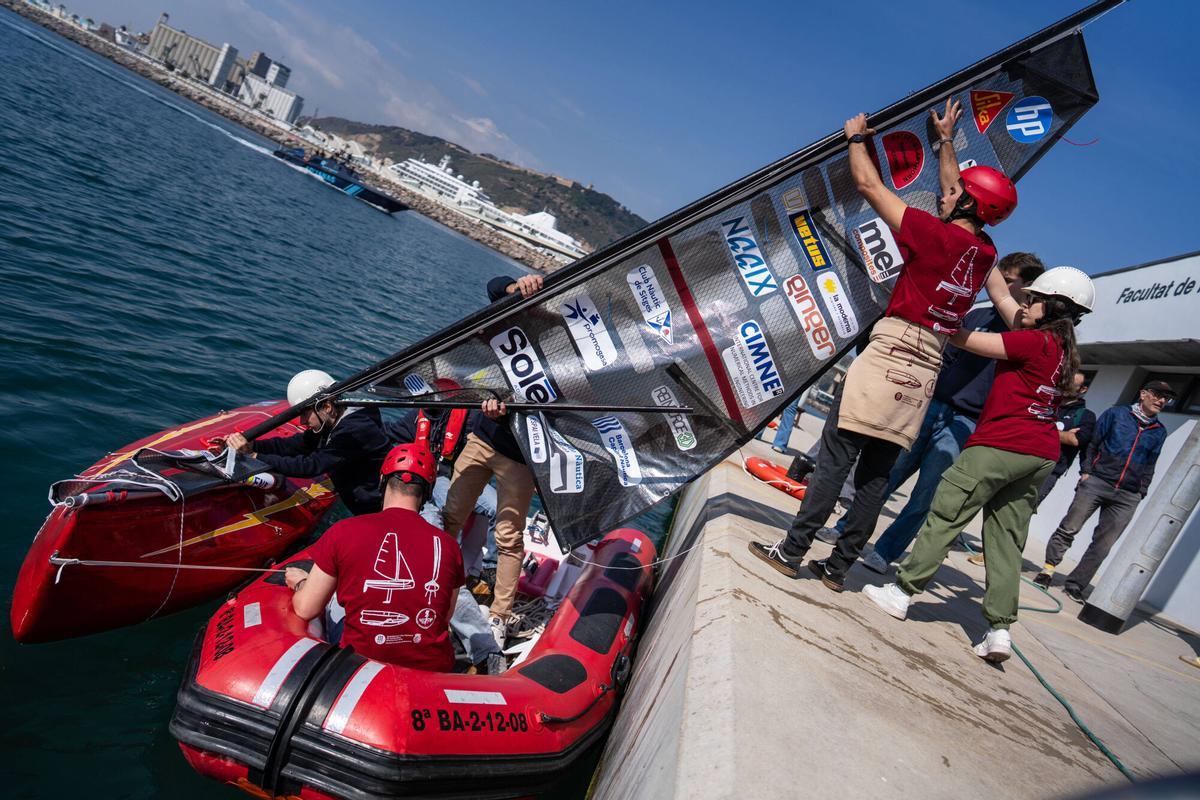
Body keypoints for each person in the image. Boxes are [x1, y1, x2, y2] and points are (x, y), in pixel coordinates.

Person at [750, 98, 1017, 591]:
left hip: (890, 351)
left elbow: (870, 184)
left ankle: (791, 551)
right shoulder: (985, 253)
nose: (948, 194)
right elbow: (958, 193)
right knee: (875, 477)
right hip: (926, 367)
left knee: (835, 457)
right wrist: (945, 143)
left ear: (965, 203)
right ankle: (837, 569)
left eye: (958, 193)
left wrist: (856, 137)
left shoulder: (933, 235)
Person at [863, 267, 1095, 662]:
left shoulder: (1031, 342)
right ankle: (999, 630)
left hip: (999, 445)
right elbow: (1004, 299)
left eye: (1033, 299)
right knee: (1005, 541)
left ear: (1053, 305)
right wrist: (983, 262)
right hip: (1039, 454)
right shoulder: (1063, 348)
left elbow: (964, 339)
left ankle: (901, 594)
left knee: (946, 515)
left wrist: (936, 312)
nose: (1025, 303)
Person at [817, 254, 1046, 568]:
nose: (999, 286)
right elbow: (942, 355)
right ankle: (845, 533)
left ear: (1029, 287)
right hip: (931, 405)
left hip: (968, 422)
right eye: (999, 278)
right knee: (885, 475)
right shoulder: (976, 314)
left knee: (926, 495)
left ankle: (884, 553)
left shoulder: (1030, 338)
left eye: (1009, 281)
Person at [284, 443, 464, 670]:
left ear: (382, 481)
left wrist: (301, 582)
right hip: (431, 672)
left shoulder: (343, 531)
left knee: (334, 604)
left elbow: (306, 609)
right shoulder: (449, 546)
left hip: (362, 669)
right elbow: (444, 617)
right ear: (427, 492)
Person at [441, 272, 544, 649]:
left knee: (508, 536)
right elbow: (492, 286)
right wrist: (519, 285)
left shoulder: (569, 354)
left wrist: (512, 413)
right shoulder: (515, 320)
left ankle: (499, 616)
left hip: (521, 455)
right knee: (450, 515)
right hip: (481, 438)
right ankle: (435, 583)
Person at [1033, 380, 1173, 601]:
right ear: (1143, 393)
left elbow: (1150, 463)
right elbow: (1093, 443)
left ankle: (1076, 584)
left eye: (1166, 398)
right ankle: (1048, 570)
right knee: (1070, 527)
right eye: (1157, 394)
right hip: (1098, 481)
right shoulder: (1116, 414)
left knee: (1104, 544)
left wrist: (1141, 491)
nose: (1161, 400)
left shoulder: (1159, 431)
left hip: (1128, 494)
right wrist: (1086, 471)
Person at [226, 369, 391, 515]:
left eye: (305, 413)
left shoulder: (355, 431)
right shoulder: (335, 417)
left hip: (378, 509)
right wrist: (253, 446)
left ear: (326, 407)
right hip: (361, 501)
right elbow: (298, 444)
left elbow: (310, 466)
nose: (302, 421)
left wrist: (254, 456)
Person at [1034, 372, 1095, 506]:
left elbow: (1076, 440)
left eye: (1071, 383)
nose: (1065, 385)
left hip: (1050, 472)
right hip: (1023, 461)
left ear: (1083, 389)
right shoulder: (1045, 404)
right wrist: (1065, 435)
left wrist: (1040, 429)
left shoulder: (1086, 416)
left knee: (1023, 514)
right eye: (1064, 380)